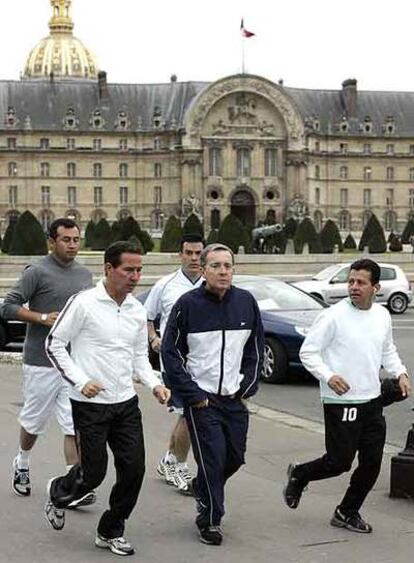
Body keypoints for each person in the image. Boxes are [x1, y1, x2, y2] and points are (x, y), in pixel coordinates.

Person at [43, 241, 170, 557]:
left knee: (134, 470)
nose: (135, 276)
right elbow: (54, 345)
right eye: (129, 269)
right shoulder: (84, 303)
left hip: (125, 403)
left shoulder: (136, 309)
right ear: (109, 269)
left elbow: (139, 356)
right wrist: (81, 380)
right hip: (89, 405)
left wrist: (155, 383)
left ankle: (110, 529)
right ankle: (59, 491)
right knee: (94, 474)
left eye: (139, 270)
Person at [283, 258, 411, 533]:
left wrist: (400, 372)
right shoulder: (332, 316)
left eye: (361, 283)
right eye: (351, 281)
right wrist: (329, 376)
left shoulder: (381, 315)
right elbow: (308, 352)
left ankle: (346, 511)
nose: (353, 287)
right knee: (339, 462)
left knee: (372, 465)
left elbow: (387, 349)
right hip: (341, 402)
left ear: (375, 287)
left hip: (372, 400)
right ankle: (300, 474)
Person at [161, 243, 264, 545]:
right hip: (202, 399)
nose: (223, 271)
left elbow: (255, 351)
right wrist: (192, 394)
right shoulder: (187, 305)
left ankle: (203, 485)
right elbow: (170, 353)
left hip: (234, 398)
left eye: (228, 266)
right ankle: (210, 520)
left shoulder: (246, 302)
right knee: (213, 460)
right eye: (216, 266)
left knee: (235, 457)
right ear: (203, 269)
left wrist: (246, 389)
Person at [1, 218, 93, 506]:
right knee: (34, 422)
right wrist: (42, 317)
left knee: (72, 423)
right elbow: (7, 307)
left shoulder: (84, 276)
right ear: (52, 242)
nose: (72, 245)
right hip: (41, 360)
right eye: (66, 239)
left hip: (72, 362)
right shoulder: (37, 272)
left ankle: (73, 483)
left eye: (76, 239)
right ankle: (23, 461)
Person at [145, 234, 204, 494]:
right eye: (188, 253)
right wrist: (154, 339)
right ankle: (177, 465)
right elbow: (146, 316)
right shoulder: (166, 284)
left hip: (204, 360)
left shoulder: (210, 283)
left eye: (198, 253)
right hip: (175, 361)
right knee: (190, 414)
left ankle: (170, 460)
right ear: (180, 254)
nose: (193, 258)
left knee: (191, 415)